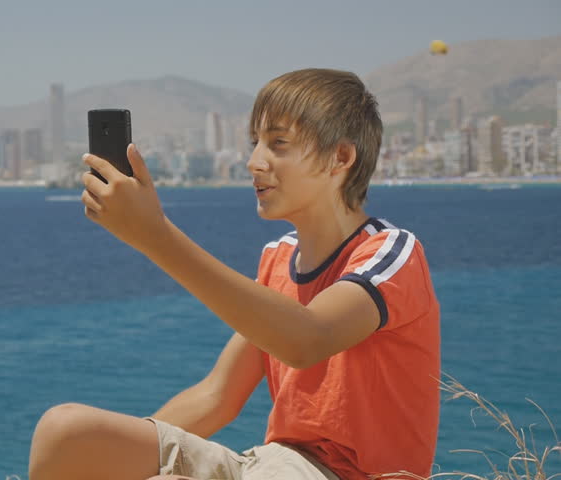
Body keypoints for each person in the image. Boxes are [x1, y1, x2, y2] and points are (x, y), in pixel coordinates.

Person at [28, 68, 441, 480]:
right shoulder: (277, 259)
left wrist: (154, 235)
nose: (254, 162)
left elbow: (308, 339)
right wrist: (127, 457)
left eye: (278, 144)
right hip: (270, 465)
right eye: (254, 143)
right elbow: (217, 397)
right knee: (65, 433)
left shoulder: (391, 253)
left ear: (341, 158)